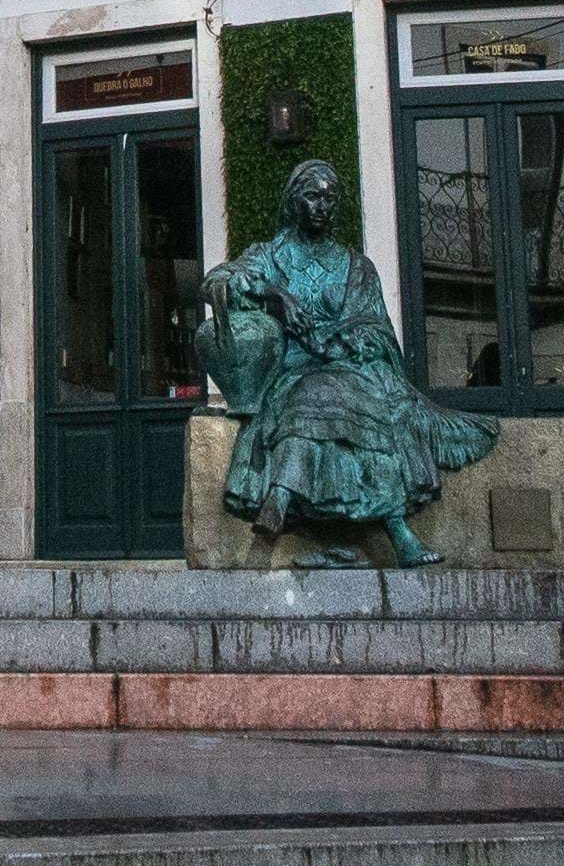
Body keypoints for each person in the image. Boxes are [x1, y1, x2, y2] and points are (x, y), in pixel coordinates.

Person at [201, 159, 500, 566]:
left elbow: (377, 328)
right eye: (312, 196)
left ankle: (282, 497)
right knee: (317, 393)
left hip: (347, 363)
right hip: (292, 368)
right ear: (293, 202)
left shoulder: (357, 267)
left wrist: (342, 340)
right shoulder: (269, 256)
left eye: (329, 199)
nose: (322, 206)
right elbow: (217, 283)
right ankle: (398, 534)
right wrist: (274, 293)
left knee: (361, 403)